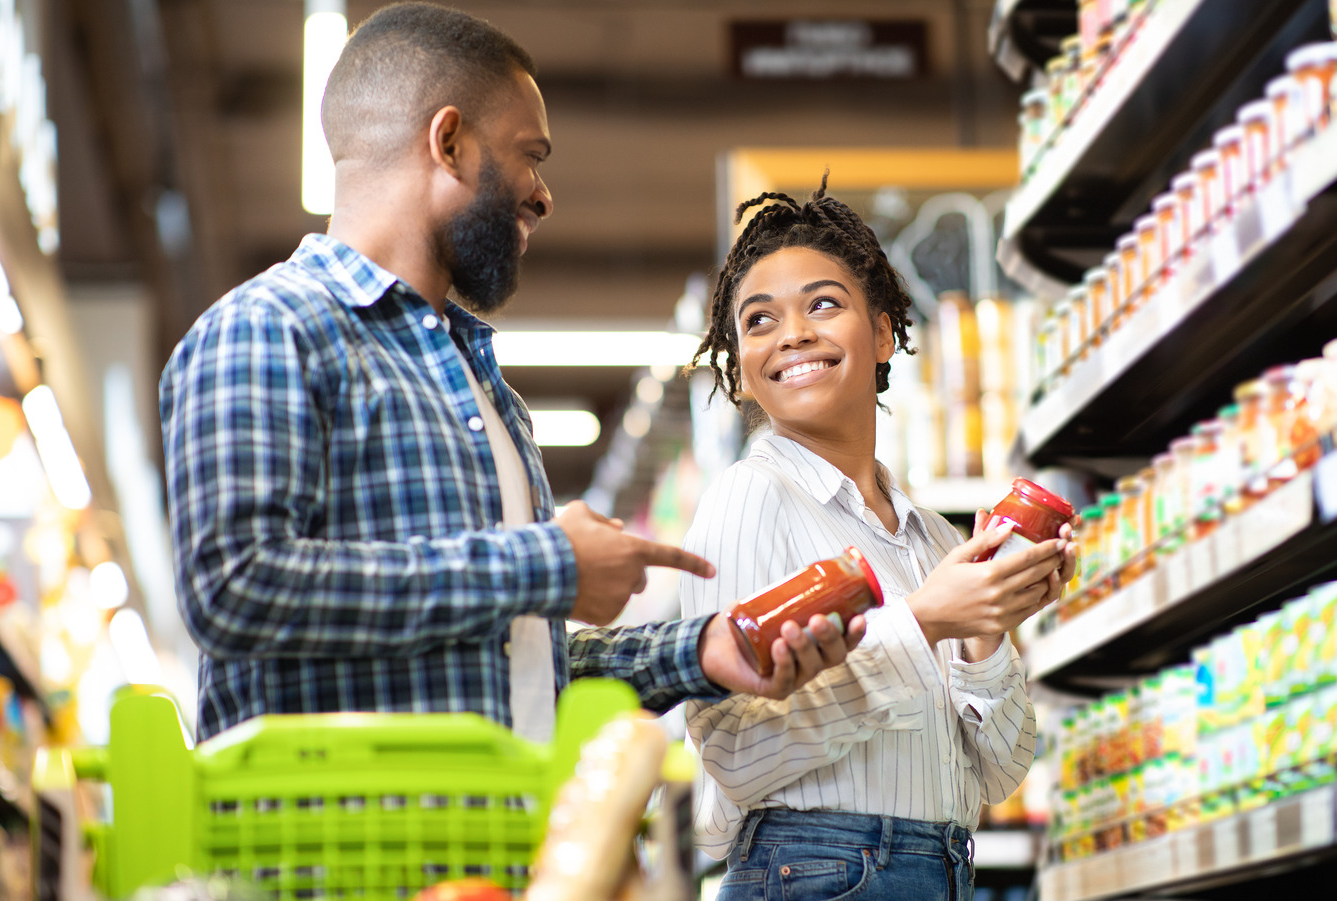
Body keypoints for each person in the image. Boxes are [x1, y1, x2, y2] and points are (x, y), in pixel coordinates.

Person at [158, 2, 863, 743]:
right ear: (451, 142)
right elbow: (234, 588)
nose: (543, 193)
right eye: (531, 155)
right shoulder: (268, 329)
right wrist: (546, 561)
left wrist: (700, 650)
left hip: (495, 844)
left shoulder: (483, 389)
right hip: (333, 850)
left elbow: (521, 662)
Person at [679, 179, 1077, 900]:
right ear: (740, 370)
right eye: (759, 320)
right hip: (813, 871)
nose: (793, 332)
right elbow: (734, 752)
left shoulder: (928, 537)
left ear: (886, 331)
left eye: (823, 303)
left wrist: (987, 628)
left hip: (940, 868)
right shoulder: (750, 499)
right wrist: (925, 622)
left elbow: (998, 773)